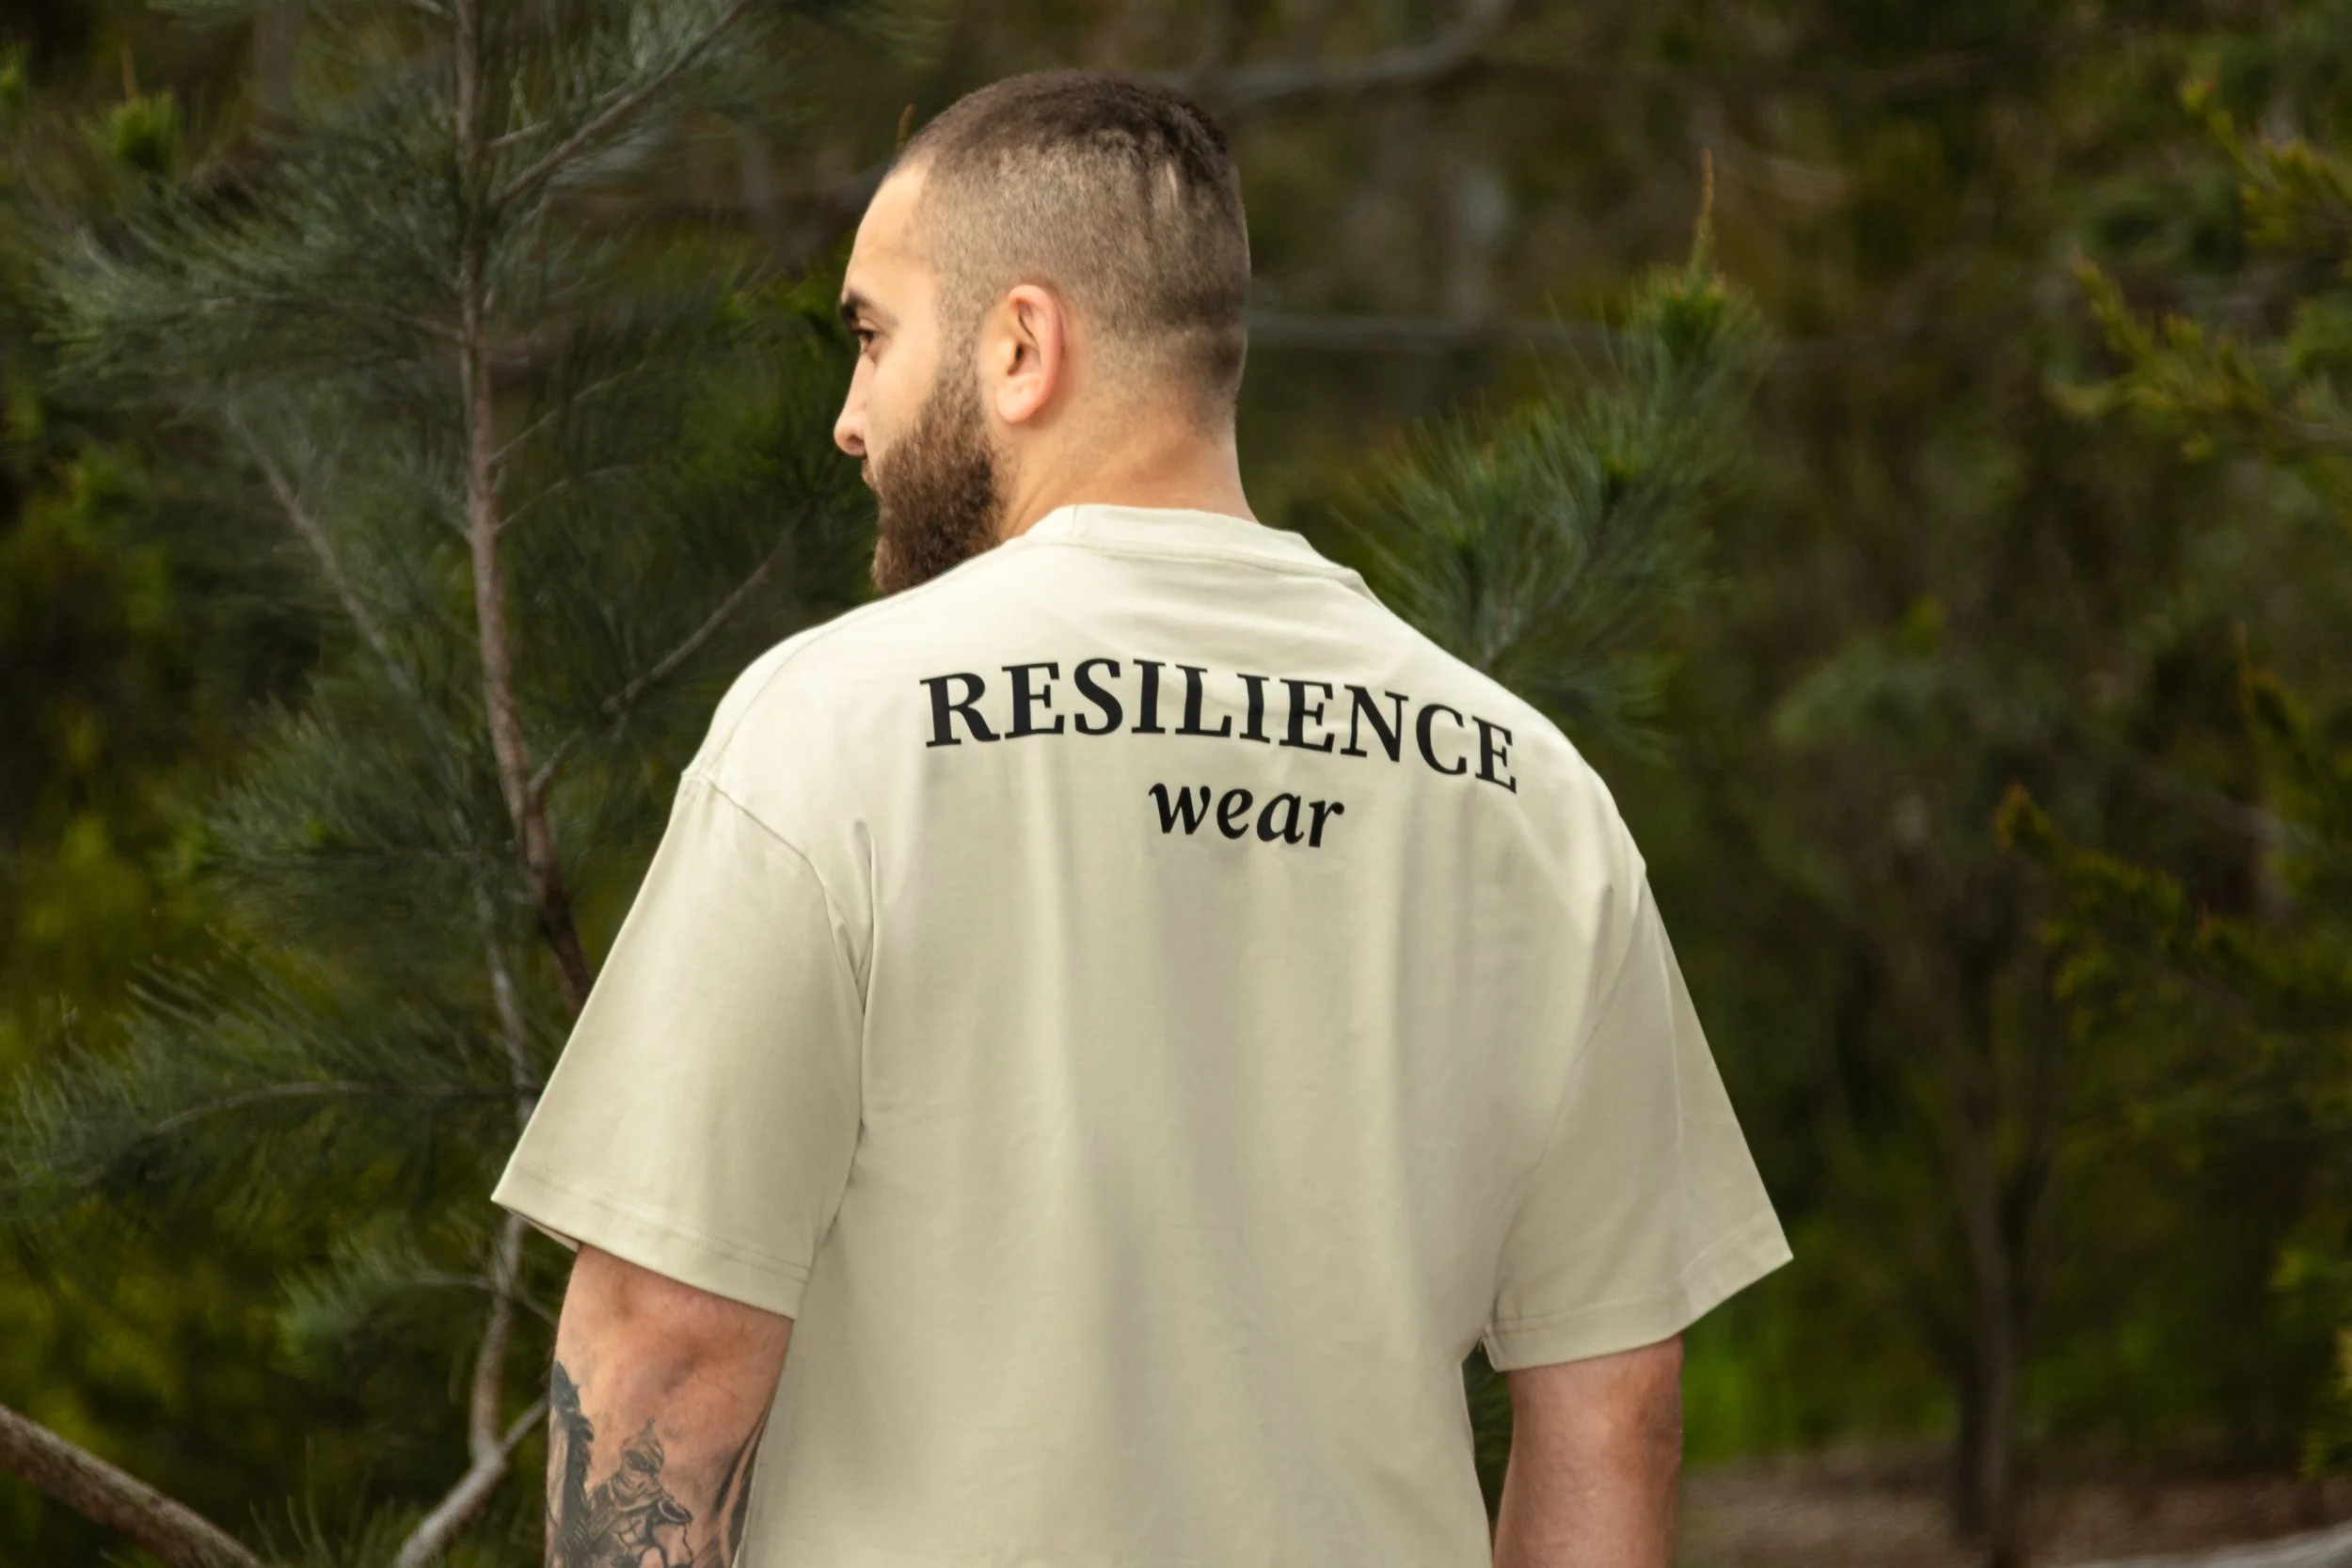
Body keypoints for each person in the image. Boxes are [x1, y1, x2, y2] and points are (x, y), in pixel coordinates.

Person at [494, 69, 1790, 1568]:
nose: (851, 420)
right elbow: (1614, 1416)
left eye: (871, 336)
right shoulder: (1535, 796)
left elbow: (663, 1350)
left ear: (1022, 346)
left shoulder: (828, 733)